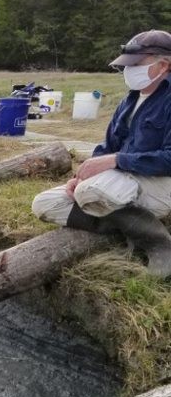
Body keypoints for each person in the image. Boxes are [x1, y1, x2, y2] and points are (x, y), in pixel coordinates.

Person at [31, 29, 171, 277]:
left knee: (89, 193)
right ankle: (128, 231)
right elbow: (107, 147)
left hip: (158, 184)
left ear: (164, 65)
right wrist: (81, 176)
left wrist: (116, 161)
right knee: (44, 204)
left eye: (137, 64)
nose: (129, 70)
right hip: (120, 185)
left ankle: (158, 242)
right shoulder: (129, 100)